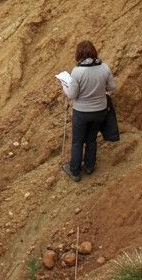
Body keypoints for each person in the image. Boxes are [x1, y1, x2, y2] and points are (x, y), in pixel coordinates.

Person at [62, 40, 115, 182]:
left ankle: (74, 171)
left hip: (82, 112)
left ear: (79, 54)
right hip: (100, 111)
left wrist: (64, 85)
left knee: (77, 142)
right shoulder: (105, 68)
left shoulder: (77, 72)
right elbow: (111, 87)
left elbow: (72, 95)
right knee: (91, 139)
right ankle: (90, 166)